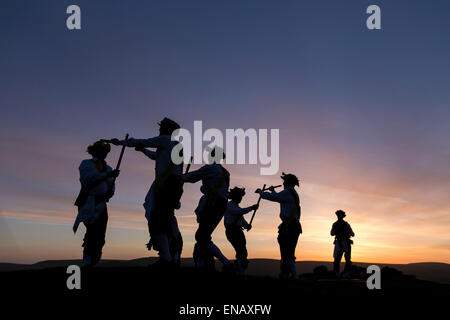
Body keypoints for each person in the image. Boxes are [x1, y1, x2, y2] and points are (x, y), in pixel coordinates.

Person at [109, 117, 183, 266]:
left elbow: (142, 141)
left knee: (158, 219)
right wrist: (143, 150)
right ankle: (172, 254)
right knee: (166, 218)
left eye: (162, 127)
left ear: (167, 129)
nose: (159, 129)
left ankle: (166, 259)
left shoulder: (164, 139)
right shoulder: (176, 145)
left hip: (166, 185)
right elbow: (155, 156)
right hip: (174, 185)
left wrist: (121, 142)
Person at [183, 146, 233, 272]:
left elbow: (193, 177)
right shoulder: (226, 173)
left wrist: (179, 177)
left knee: (202, 236)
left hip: (212, 203)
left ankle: (226, 262)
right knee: (203, 235)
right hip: (221, 204)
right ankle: (200, 265)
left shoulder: (210, 168)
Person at [73, 141, 120, 268]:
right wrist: (107, 175)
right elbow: (88, 179)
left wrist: (111, 191)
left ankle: (94, 259)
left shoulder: (109, 168)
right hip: (88, 202)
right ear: (94, 151)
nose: (104, 154)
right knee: (92, 231)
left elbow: (111, 185)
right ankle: (87, 260)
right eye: (102, 151)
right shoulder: (86, 164)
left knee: (100, 234)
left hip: (102, 204)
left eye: (106, 152)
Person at [255, 172, 301, 279]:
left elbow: (274, 198)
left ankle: (293, 275)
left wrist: (261, 192)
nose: (283, 183)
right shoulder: (293, 193)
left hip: (289, 225)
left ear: (288, 182)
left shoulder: (287, 192)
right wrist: (273, 191)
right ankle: (287, 274)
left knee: (286, 251)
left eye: (284, 181)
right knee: (289, 251)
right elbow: (279, 197)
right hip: (295, 225)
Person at [224, 187, 258, 275]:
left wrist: (247, 225)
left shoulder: (235, 206)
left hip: (237, 231)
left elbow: (241, 219)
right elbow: (239, 212)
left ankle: (240, 270)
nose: (241, 199)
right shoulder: (229, 205)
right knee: (241, 251)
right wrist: (251, 208)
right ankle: (240, 270)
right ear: (236, 197)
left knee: (241, 251)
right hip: (233, 231)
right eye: (240, 197)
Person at [331, 210, 355, 277]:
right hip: (343, 243)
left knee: (340, 258)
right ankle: (341, 273)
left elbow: (332, 233)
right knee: (343, 258)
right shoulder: (346, 224)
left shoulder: (335, 224)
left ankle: (339, 273)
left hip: (341, 243)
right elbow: (352, 234)